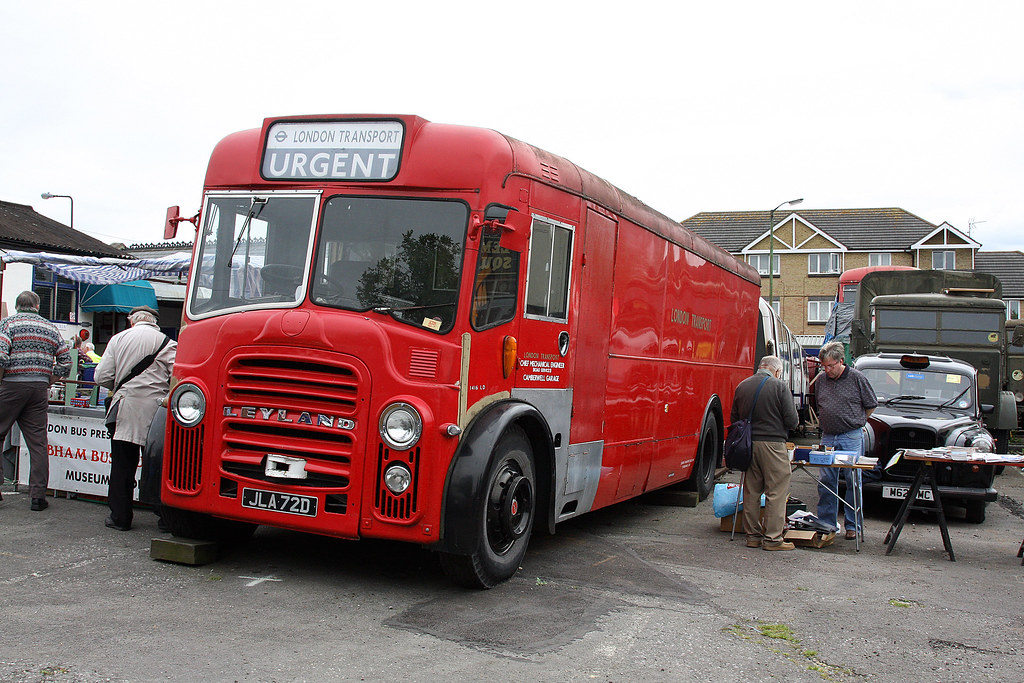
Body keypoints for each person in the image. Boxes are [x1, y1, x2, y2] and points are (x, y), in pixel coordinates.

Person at [94, 306, 176, 531]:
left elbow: (102, 376)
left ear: (132, 321)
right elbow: (178, 376)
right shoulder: (167, 343)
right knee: (158, 466)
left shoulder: (118, 339)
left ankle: (120, 517)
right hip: (156, 412)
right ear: (155, 322)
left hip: (125, 409)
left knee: (122, 465)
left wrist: (121, 386)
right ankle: (164, 518)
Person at [0, 291, 72, 511]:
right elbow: (66, 361)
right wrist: (48, 380)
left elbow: (1, 356)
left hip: (10, 386)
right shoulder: (50, 327)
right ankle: (38, 496)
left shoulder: (8, 324)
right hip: (39, 388)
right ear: (38, 306)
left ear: (17, 305)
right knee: (38, 442)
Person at [731, 355, 800, 550]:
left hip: (748, 445)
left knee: (751, 491)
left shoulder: (742, 386)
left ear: (761, 367)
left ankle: (752, 536)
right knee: (776, 491)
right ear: (776, 371)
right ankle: (772, 539)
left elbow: (734, 418)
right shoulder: (779, 387)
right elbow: (792, 421)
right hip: (773, 445)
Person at [814, 341, 877, 539]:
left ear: (841, 361)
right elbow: (818, 403)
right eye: (824, 366)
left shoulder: (857, 378)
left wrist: (858, 421)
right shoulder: (821, 380)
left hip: (851, 435)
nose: (827, 370)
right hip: (828, 435)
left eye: (830, 366)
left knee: (853, 480)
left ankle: (853, 525)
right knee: (826, 480)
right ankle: (826, 523)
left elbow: (871, 404)